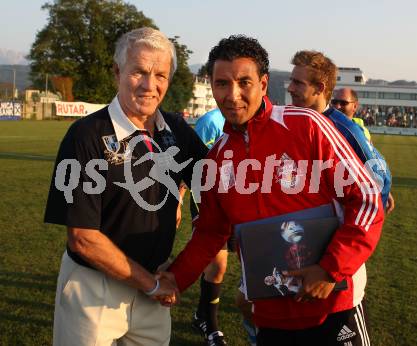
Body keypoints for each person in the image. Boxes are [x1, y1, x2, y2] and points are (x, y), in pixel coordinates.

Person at [160, 35, 384, 346]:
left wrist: (330, 269)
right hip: (270, 316)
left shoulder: (306, 125)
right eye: (222, 83)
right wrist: (176, 277)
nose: (232, 94)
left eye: (244, 82)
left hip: (332, 307)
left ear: (264, 85)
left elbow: (367, 198)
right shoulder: (217, 160)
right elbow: (210, 233)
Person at [44, 27, 207, 346]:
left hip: (154, 287)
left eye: (160, 74)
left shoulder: (176, 129)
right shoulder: (86, 135)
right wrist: (151, 285)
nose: (150, 85)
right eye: (139, 72)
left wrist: (180, 194)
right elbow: (83, 239)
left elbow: (214, 179)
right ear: (118, 72)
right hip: (95, 289)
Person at [288, 50, 394, 214]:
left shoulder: (347, 130)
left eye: (297, 83)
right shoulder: (287, 119)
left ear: (319, 88)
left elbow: (380, 176)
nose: (290, 88)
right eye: (291, 81)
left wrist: (368, 218)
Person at [190, 108, 228, 346]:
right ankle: (211, 327)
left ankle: (200, 315)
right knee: (218, 263)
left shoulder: (253, 119)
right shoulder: (210, 121)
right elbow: (192, 163)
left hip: (240, 201)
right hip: (208, 201)